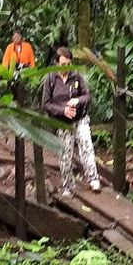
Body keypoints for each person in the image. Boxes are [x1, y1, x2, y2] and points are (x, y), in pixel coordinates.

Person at [40, 46, 101, 197]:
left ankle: (93, 179)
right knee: (65, 155)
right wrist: (63, 110)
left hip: (79, 119)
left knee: (86, 147)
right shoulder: (50, 79)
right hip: (62, 123)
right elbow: (46, 104)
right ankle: (68, 185)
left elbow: (87, 96)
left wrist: (77, 100)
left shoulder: (76, 76)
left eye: (68, 64)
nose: (65, 68)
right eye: (63, 65)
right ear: (56, 63)